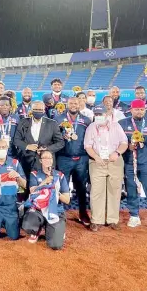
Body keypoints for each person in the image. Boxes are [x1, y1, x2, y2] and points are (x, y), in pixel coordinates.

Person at [119, 100, 147, 231]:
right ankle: (134, 215)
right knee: (131, 189)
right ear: (131, 110)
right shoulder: (122, 124)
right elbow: (116, 142)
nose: (139, 111)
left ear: (145, 110)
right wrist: (128, 147)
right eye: (136, 109)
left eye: (142, 109)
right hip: (129, 162)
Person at [84, 105, 128, 231]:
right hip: (97, 162)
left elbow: (124, 142)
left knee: (114, 190)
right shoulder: (91, 128)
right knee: (97, 191)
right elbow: (88, 146)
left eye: (101, 114)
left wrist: (117, 153)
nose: (99, 117)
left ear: (107, 115)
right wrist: (96, 157)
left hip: (114, 161)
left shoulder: (116, 126)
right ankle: (96, 220)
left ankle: (112, 219)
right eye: (96, 115)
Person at [54, 97, 92, 226]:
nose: (74, 105)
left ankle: (83, 213)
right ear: (67, 104)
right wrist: (61, 135)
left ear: (80, 104)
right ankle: (59, 213)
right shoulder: (58, 119)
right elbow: (53, 137)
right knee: (60, 187)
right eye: (71, 103)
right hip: (64, 158)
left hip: (81, 158)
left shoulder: (86, 120)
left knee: (81, 187)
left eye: (76, 103)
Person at [22, 150, 70, 248]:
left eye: (50, 158)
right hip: (38, 209)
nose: (48, 160)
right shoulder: (35, 174)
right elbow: (32, 192)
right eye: (45, 158)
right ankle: (37, 229)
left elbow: (67, 200)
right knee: (27, 225)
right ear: (40, 161)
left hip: (55, 211)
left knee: (55, 245)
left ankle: (53, 230)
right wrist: (44, 183)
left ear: (52, 160)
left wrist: (56, 191)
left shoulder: (60, 176)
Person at [13, 101, 64, 180]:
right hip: (26, 161)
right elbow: (16, 140)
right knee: (26, 189)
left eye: (40, 110)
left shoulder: (52, 124)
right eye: (36, 109)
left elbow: (60, 143)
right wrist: (27, 146)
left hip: (45, 162)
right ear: (31, 110)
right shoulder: (23, 122)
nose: (38, 111)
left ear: (44, 111)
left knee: (45, 188)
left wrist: (47, 149)